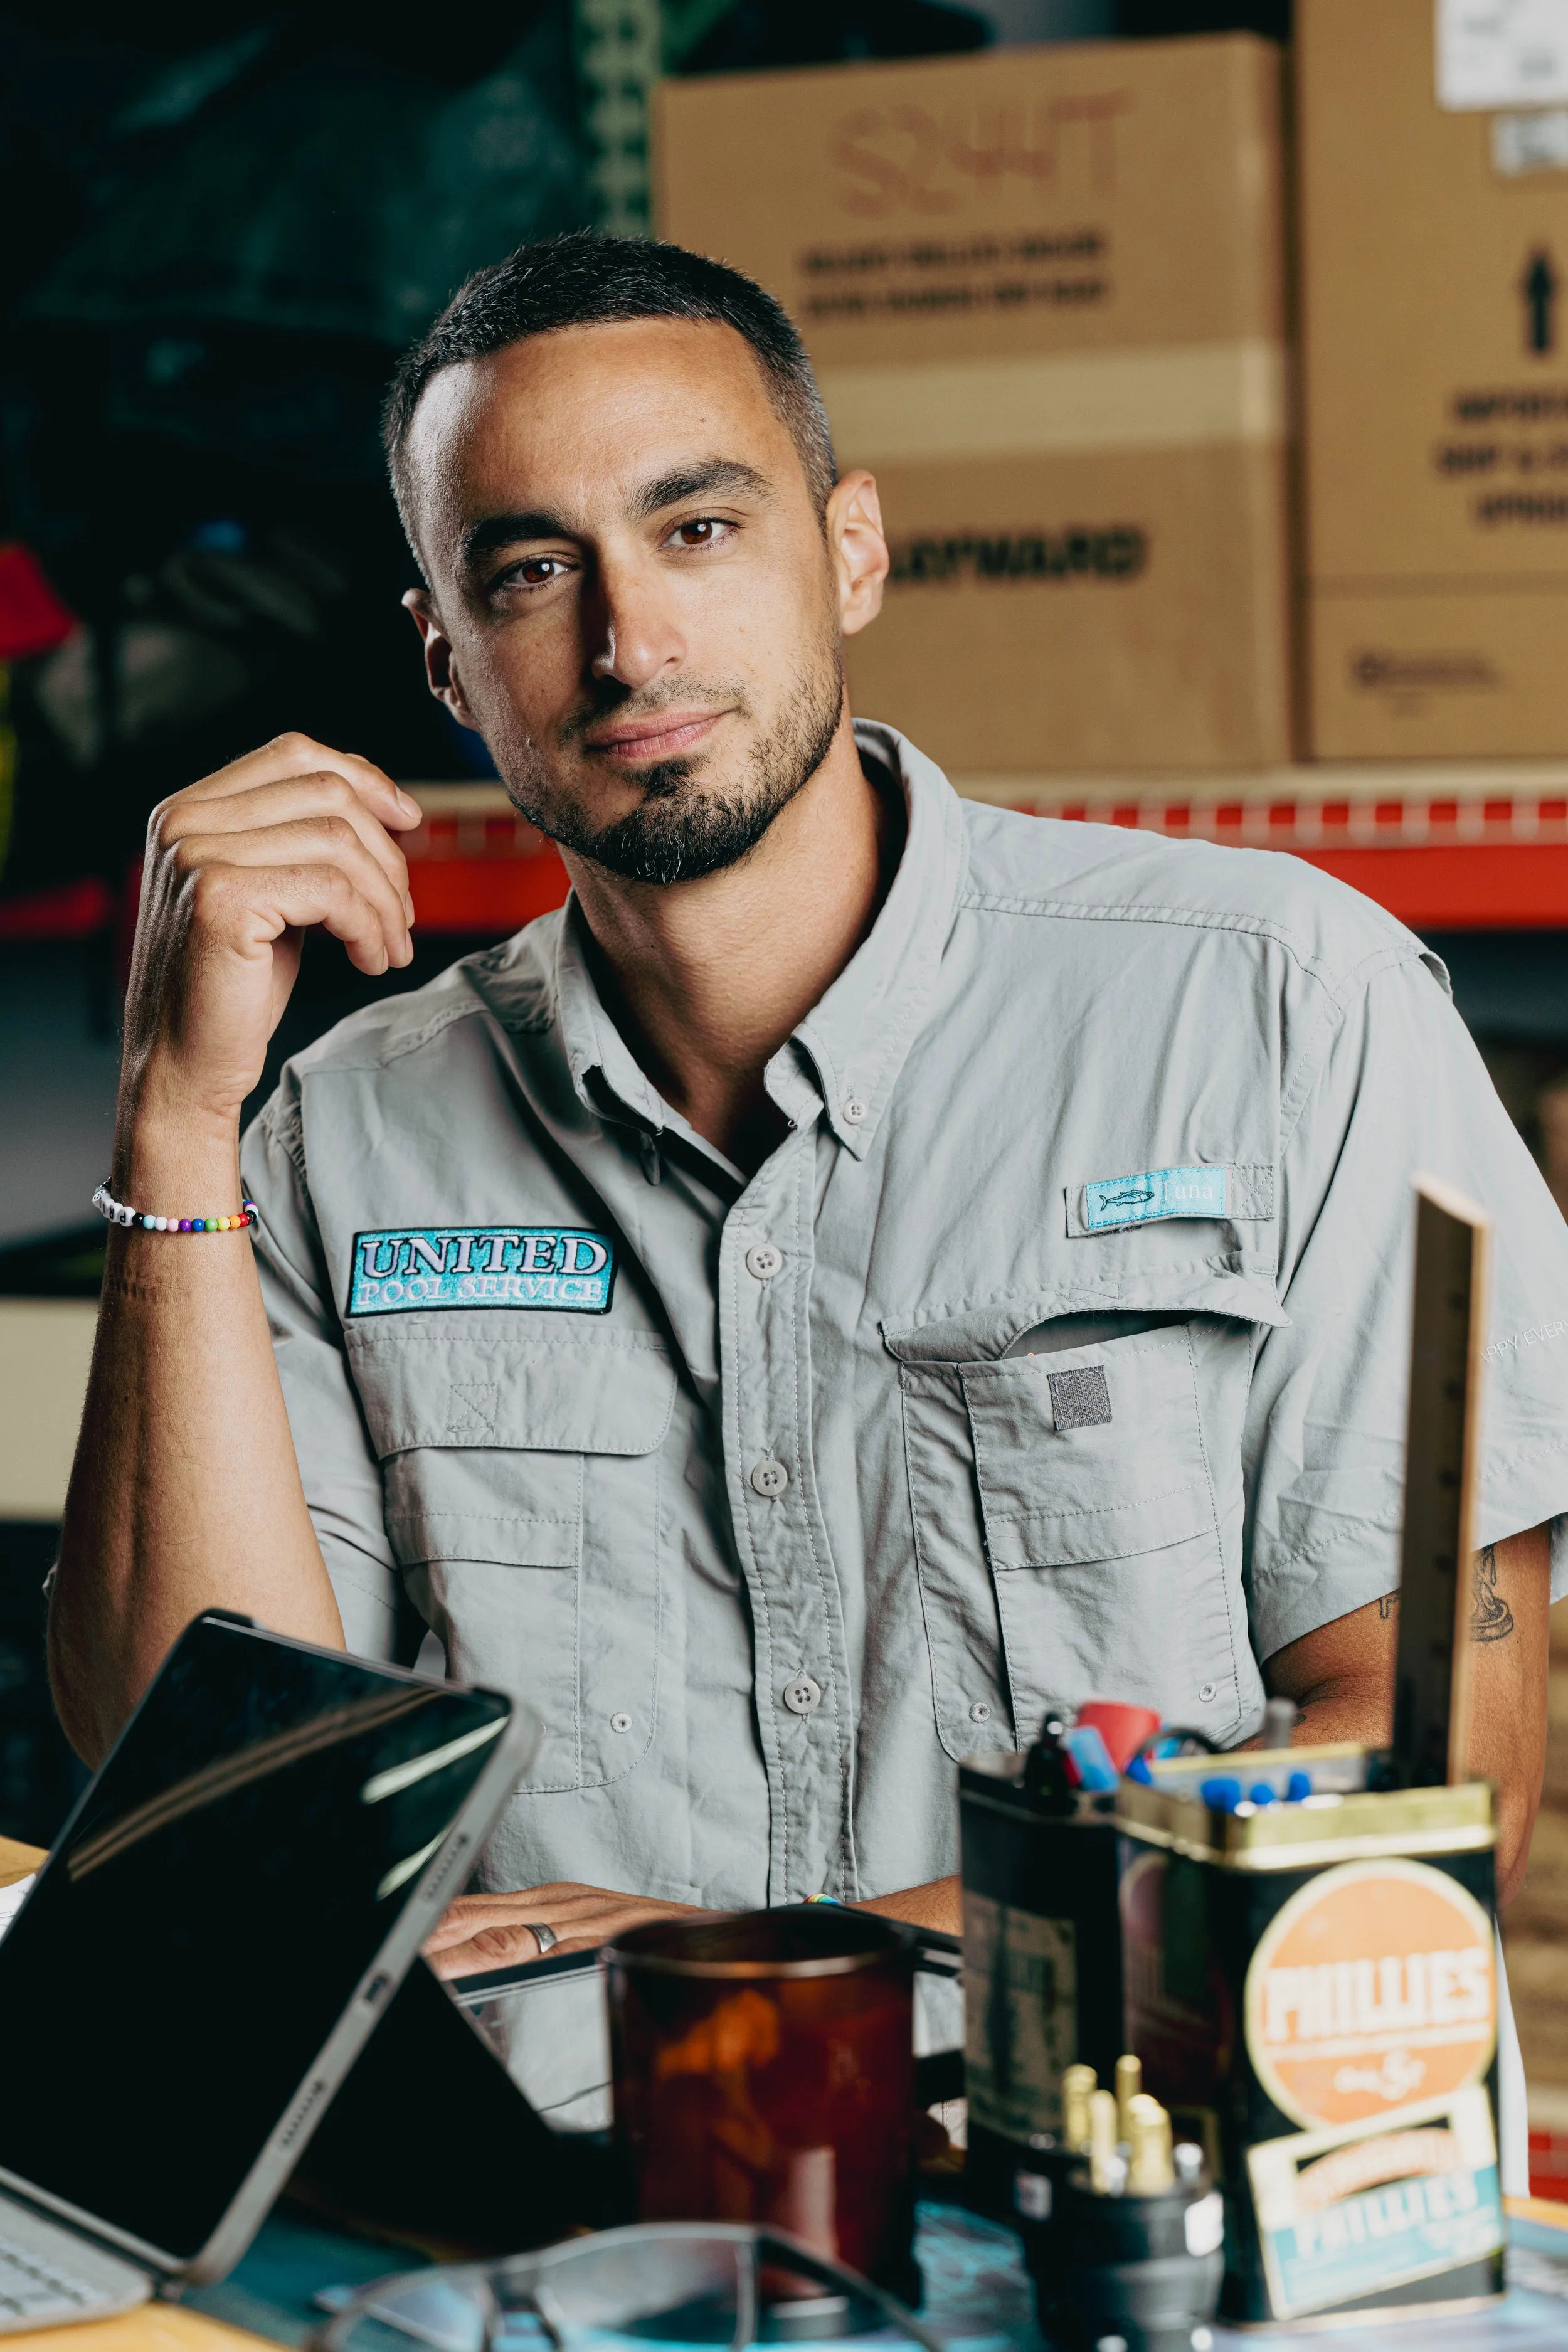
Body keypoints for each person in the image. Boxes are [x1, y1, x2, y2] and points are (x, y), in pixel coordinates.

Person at [50, 235, 1565, 1979]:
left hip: (1102, 2184)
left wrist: (780, 1962)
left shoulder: (1283, 1008)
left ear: (850, 550)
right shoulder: (333, 1140)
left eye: (699, 530)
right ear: (447, 663)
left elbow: (1429, 1782)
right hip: (565, 2216)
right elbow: (215, 1799)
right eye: (535, 571)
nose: (632, 641)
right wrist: (175, 1112)